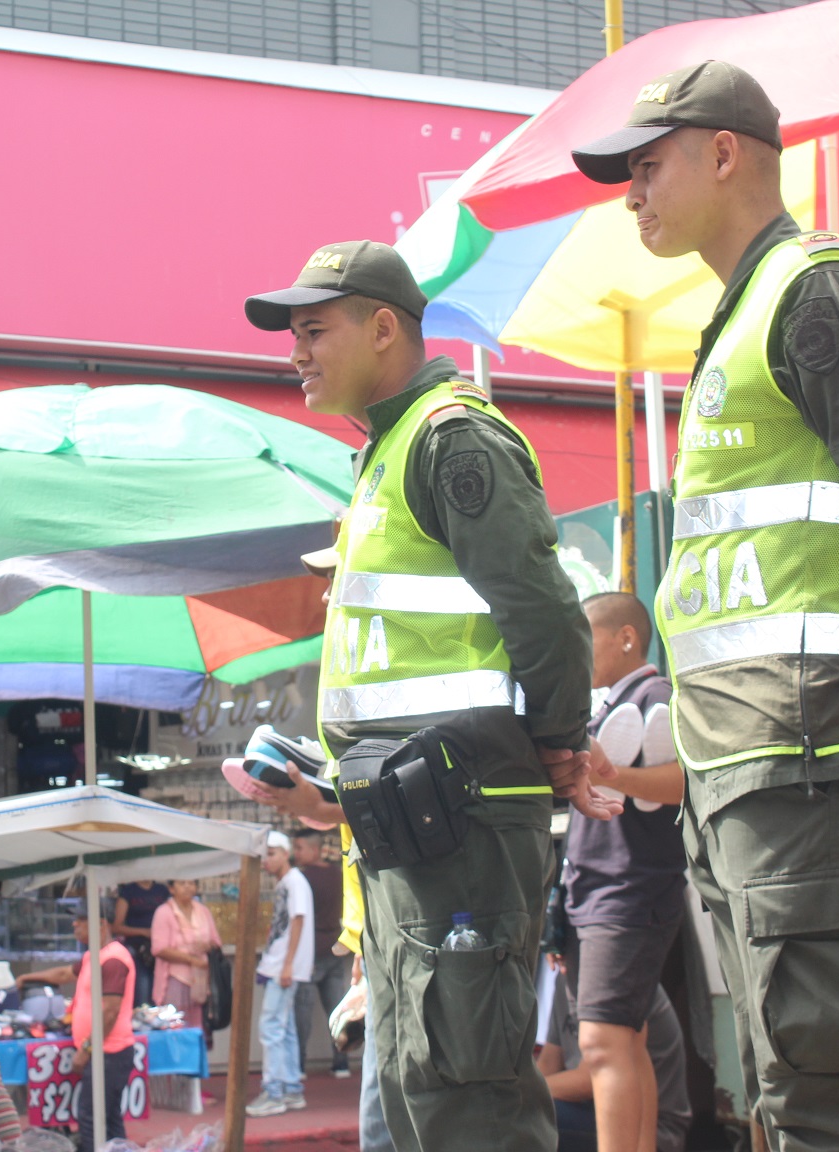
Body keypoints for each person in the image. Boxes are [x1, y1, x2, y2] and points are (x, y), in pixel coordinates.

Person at [570, 61, 839, 1151]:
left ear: (724, 153)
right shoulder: (747, 308)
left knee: (823, 1100)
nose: (631, 195)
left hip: (810, 756)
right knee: (783, 1092)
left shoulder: (812, 290)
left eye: (647, 166)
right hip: (752, 770)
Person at [245, 240, 610, 1151]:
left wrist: (559, 742)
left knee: (467, 1105)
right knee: (424, 1095)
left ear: (383, 328)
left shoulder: (451, 437)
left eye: (314, 331)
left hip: (464, 822)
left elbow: (546, 613)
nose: (296, 353)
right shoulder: (386, 449)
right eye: (293, 335)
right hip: (416, 825)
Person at [562, 592, 686, 1152]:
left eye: (585, 638)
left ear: (627, 638)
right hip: (592, 886)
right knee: (626, 1041)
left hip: (629, 887)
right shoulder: (606, 705)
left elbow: (683, 784)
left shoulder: (657, 697)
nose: (576, 653)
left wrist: (612, 776)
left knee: (603, 1042)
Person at [17, 898, 138, 1152]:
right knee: (107, 1118)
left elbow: (110, 1012)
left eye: (82, 919)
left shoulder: (113, 960)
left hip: (109, 1052)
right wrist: (28, 977)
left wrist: (87, 1048)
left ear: (101, 924)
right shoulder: (94, 956)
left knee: (92, 1118)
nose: (75, 924)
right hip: (104, 1051)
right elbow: (64, 974)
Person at [538, 979, 690, 1152]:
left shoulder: (613, 977)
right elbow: (548, 1062)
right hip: (590, 1109)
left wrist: (520, 1090)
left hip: (651, 1128)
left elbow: (588, 1080)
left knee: (529, 1115)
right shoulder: (564, 980)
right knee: (523, 1111)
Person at [246, 831, 313, 1117]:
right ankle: (291, 1088)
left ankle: (274, 1091)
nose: (267, 861)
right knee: (284, 1029)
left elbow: (298, 921)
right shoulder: (289, 882)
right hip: (283, 964)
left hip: (283, 966)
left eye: (271, 854)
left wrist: (287, 964)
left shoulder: (294, 881)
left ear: (286, 854)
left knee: (272, 1027)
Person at [289, 827, 350, 1077]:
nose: (295, 853)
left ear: (315, 850)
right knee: (337, 1009)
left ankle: (299, 1065)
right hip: (335, 947)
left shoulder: (301, 878)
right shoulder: (338, 874)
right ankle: (341, 1061)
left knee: (302, 1013)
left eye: (299, 848)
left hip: (309, 953)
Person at [149, 879, 222, 1031]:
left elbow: (216, 942)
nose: (187, 887)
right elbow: (159, 949)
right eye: (182, 884)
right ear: (171, 889)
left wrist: (207, 946)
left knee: (199, 1025)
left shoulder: (203, 911)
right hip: (175, 977)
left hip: (202, 978)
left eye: (191, 883)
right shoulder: (164, 912)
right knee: (176, 1024)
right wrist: (191, 960)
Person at [113, 880, 170, 1006]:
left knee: (161, 993)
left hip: (161, 949)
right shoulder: (128, 891)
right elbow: (117, 927)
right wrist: (143, 932)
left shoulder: (162, 890)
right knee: (142, 990)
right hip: (137, 948)